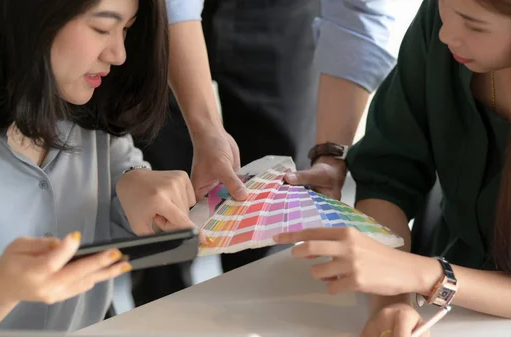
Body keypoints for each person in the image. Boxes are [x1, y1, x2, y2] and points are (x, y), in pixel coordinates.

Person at [0, 0, 202, 336]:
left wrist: (133, 183)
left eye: (126, 29)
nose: (118, 54)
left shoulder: (87, 100)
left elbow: (119, 185)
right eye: (102, 28)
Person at [131, 0, 413, 306]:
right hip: (158, 11)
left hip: (281, 16)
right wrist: (206, 128)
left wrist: (330, 155)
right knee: (159, 207)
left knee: (276, 207)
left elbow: (359, 13)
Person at [274, 0, 511, 336]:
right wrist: (392, 302)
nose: (446, 35)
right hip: (441, 307)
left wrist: (421, 275)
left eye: (474, 25)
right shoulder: (443, 25)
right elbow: (387, 174)